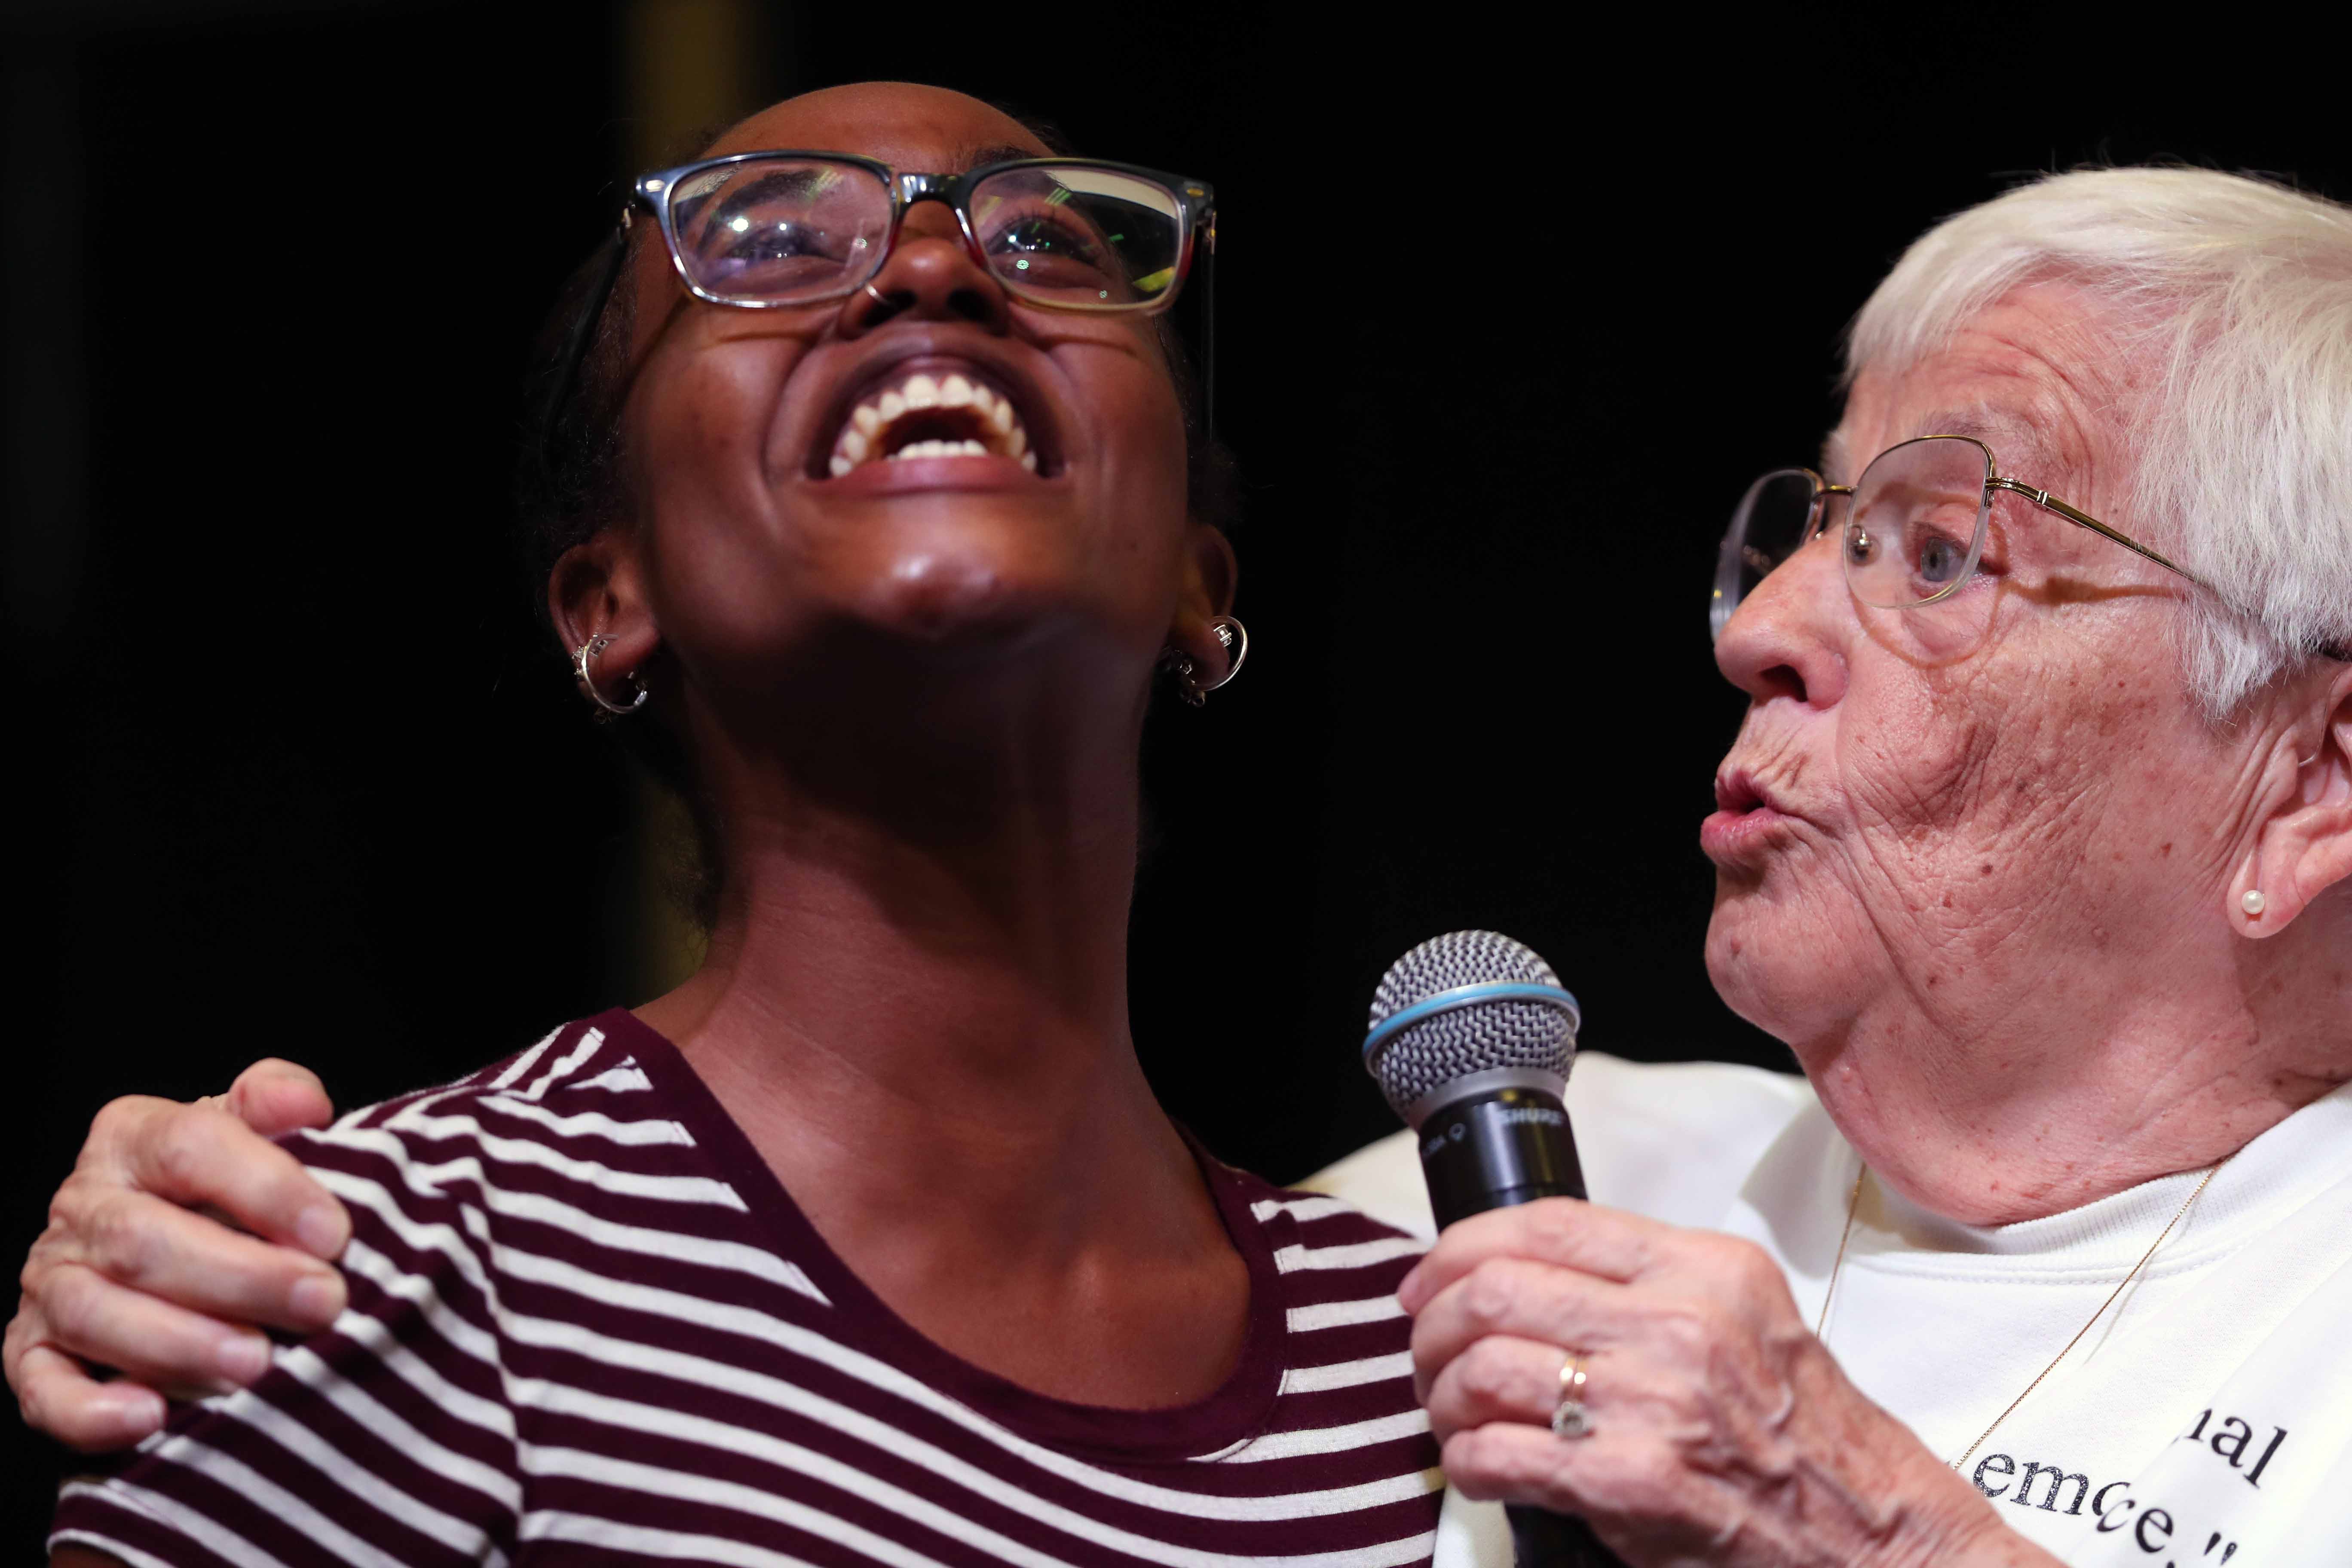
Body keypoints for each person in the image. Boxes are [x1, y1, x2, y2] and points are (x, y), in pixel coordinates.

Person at [15, 164, 2352, 1565]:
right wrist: (198, 1245)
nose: (1757, 628)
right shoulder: (1481, 1221)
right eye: (1805, 530)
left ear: (2312, 787)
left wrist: (1881, 1534)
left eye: (1945, 548)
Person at [26, 80, 1459, 1566]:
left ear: (1198, 583)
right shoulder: (355, 1270)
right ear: (610, 603)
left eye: (1048, 246)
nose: (931, 269)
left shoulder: (1438, 1367)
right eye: (775, 242)